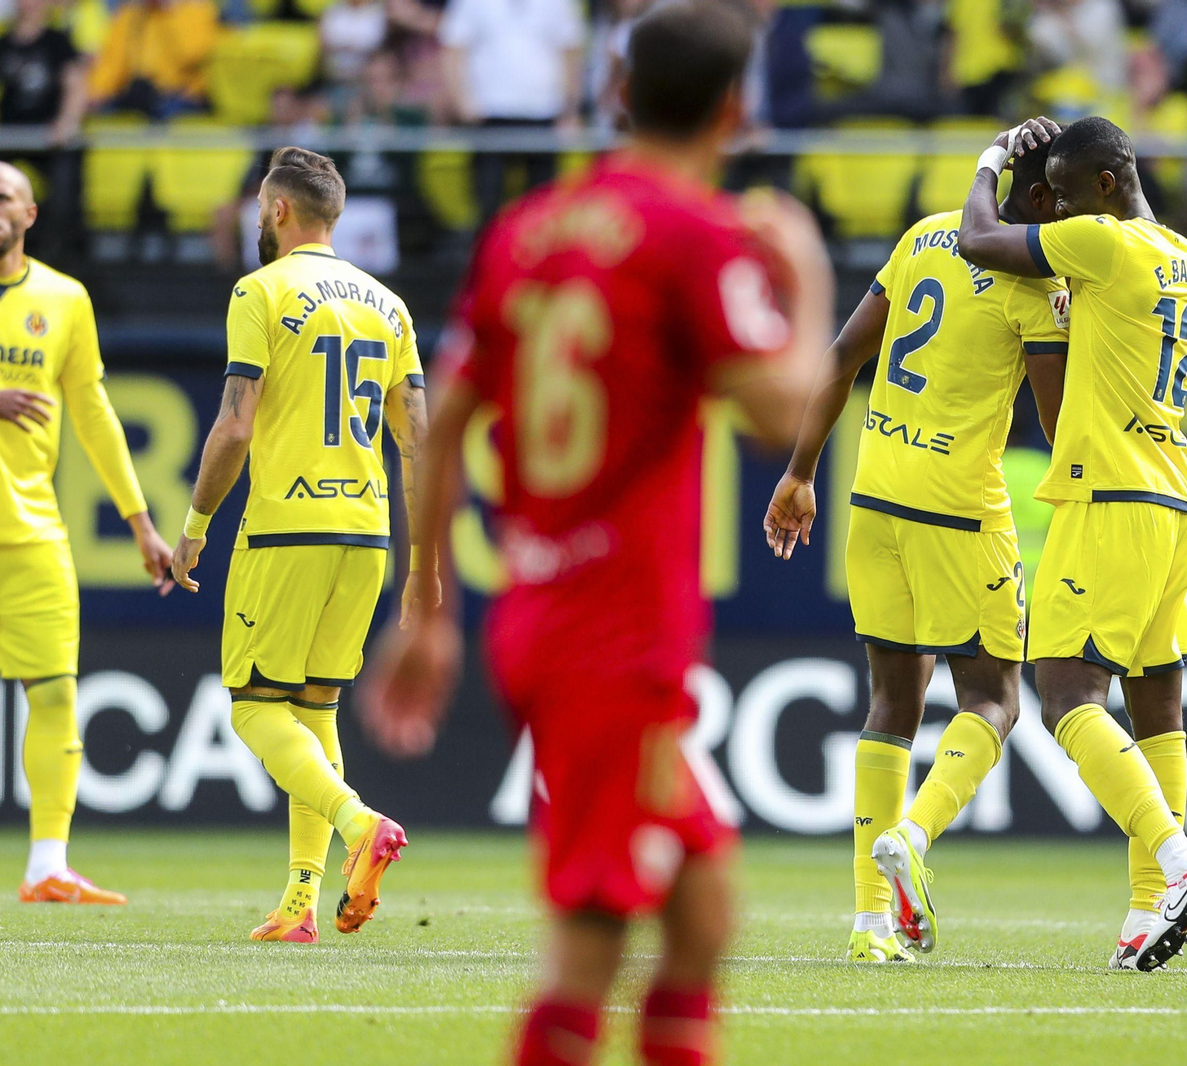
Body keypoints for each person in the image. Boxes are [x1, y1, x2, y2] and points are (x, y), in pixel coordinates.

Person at [366, 2, 829, 1061]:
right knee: (590, 944)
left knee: (704, 904)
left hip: (545, 610)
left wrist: (429, 610)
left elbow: (444, 427)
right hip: (613, 637)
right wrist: (802, 284)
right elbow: (774, 416)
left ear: (616, 96)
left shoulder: (528, 227)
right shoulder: (695, 236)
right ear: (733, 109)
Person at [762, 138, 1070, 962]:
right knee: (995, 700)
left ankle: (871, 924)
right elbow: (1058, 421)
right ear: (1044, 204)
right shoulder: (1036, 281)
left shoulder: (925, 236)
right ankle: (916, 837)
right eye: (1067, 203)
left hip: (874, 493)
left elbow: (841, 355)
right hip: (960, 511)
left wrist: (799, 472)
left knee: (891, 704)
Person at [952, 115, 1187, 973]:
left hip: (1107, 493)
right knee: (1158, 708)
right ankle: (1150, 909)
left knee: (1068, 694)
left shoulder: (1103, 244)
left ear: (1105, 186)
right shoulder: (1179, 253)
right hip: (1172, 497)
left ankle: (1178, 862)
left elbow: (977, 241)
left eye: (1066, 196)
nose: (1057, 212)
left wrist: (992, 159)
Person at [0, 162, 174, 905]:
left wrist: (141, 522)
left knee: (54, 694)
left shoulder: (64, 298)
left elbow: (94, 412)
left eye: (2, 199)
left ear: (30, 214)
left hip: (34, 537)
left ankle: (47, 864)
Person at [169, 147, 421, 943]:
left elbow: (235, 424)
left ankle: (358, 823)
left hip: (286, 527)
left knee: (252, 709)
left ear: (277, 211)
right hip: (368, 533)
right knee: (314, 709)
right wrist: (429, 566)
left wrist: (196, 524)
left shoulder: (261, 290)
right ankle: (300, 903)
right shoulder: (389, 304)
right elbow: (419, 440)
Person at [0, 0, 91, 263]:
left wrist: (66, 122)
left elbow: (75, 87)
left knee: (62, 192)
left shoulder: (58, 43)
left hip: (50, 144)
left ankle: (61, 253)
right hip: (10, 141)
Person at [438, 0, 585, 222]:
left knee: (543, 205)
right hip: (489, 113)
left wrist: (570, 111)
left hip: (543, 113)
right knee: (488, 201)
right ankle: (487, 254)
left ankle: (541, 256)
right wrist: (462, 102)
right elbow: (453, 47)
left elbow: (570, 52)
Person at [86, 0, 218, 119]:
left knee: (162, 110)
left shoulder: (197, 8)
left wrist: (170, 11)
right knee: (105, 111)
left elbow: (193, 55)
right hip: (139, 94)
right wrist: (95, 93)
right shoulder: (132, 13)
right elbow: (113, 62)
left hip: (183, 96)